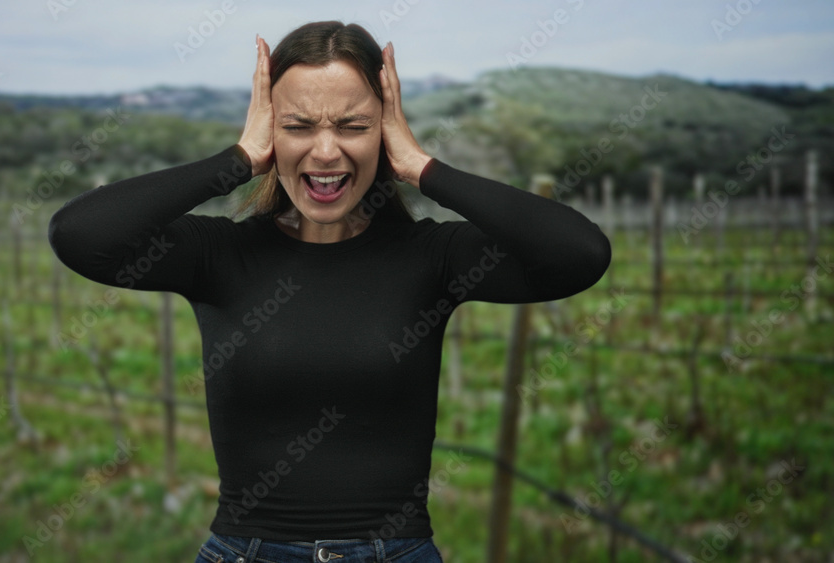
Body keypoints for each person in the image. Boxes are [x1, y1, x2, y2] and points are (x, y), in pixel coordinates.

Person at [49, 20, 611, 563]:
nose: (324, 152)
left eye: (352, 125)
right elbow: (81, 236)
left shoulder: (431, 258)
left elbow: (581, 255)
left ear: (385, 131)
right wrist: (238, 159)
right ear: (271, 130)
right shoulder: (219, 255)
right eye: (298, 126)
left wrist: (421, 165)